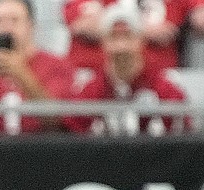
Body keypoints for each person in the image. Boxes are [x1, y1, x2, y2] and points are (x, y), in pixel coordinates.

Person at [65, 3, 190, 135]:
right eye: (114, 37)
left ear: (140, 39)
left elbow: (184, 132)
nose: (121, 46)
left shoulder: (164, 89)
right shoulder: (91, 91)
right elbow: (72, 130)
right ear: (103, 42)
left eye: (128, 36)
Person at [0, 0, 75, 134]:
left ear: (31, 26)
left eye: (14, 20)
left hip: (42, 148)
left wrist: (22, 74)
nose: (6, 28)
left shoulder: (56, 65)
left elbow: (57, 121)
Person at [63, 0, 192, 71]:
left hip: (154, 79)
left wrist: (110, 24)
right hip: (96, 75)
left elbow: (166, 32)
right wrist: (143, 29)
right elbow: (81, 26)